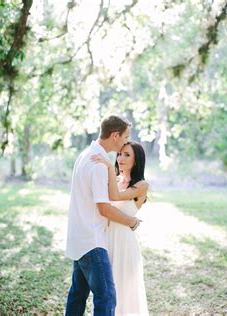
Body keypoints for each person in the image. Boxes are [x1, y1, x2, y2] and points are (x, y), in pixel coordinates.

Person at [65, 115, 141, 315]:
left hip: (79, 238)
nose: (126, 141)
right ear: (115, 135)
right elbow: (104, 209)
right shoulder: (98, 164)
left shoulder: (85, 155)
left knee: (78, 295)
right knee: (106, 298)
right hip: (92, 242)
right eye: (125, 136)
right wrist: (131, 221)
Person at [91, 141, 149, 315]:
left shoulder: (141, 185)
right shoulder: (115, 179)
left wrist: (108, 165)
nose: (120, 158)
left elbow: (114, 196)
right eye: (119, 154)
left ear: (137, 160)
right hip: (107, 238)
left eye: (127, 155)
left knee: (124, 287)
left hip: (124, 241)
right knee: (107, 287)